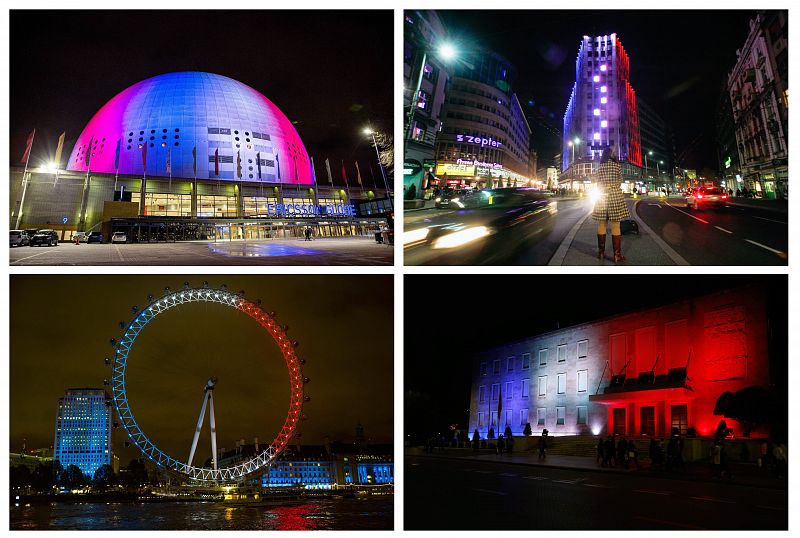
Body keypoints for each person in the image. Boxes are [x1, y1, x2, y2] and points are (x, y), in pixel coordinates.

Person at [592, 145, 631, 262]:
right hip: (615, 196)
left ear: (604, 155)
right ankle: (616, 255)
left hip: (602, 197)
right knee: (616, 225)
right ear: (612, 155)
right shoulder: (617, 166)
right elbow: (620, 182)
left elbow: (598, 182)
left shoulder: (601, 167)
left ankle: (601, 253)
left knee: (602, 224)